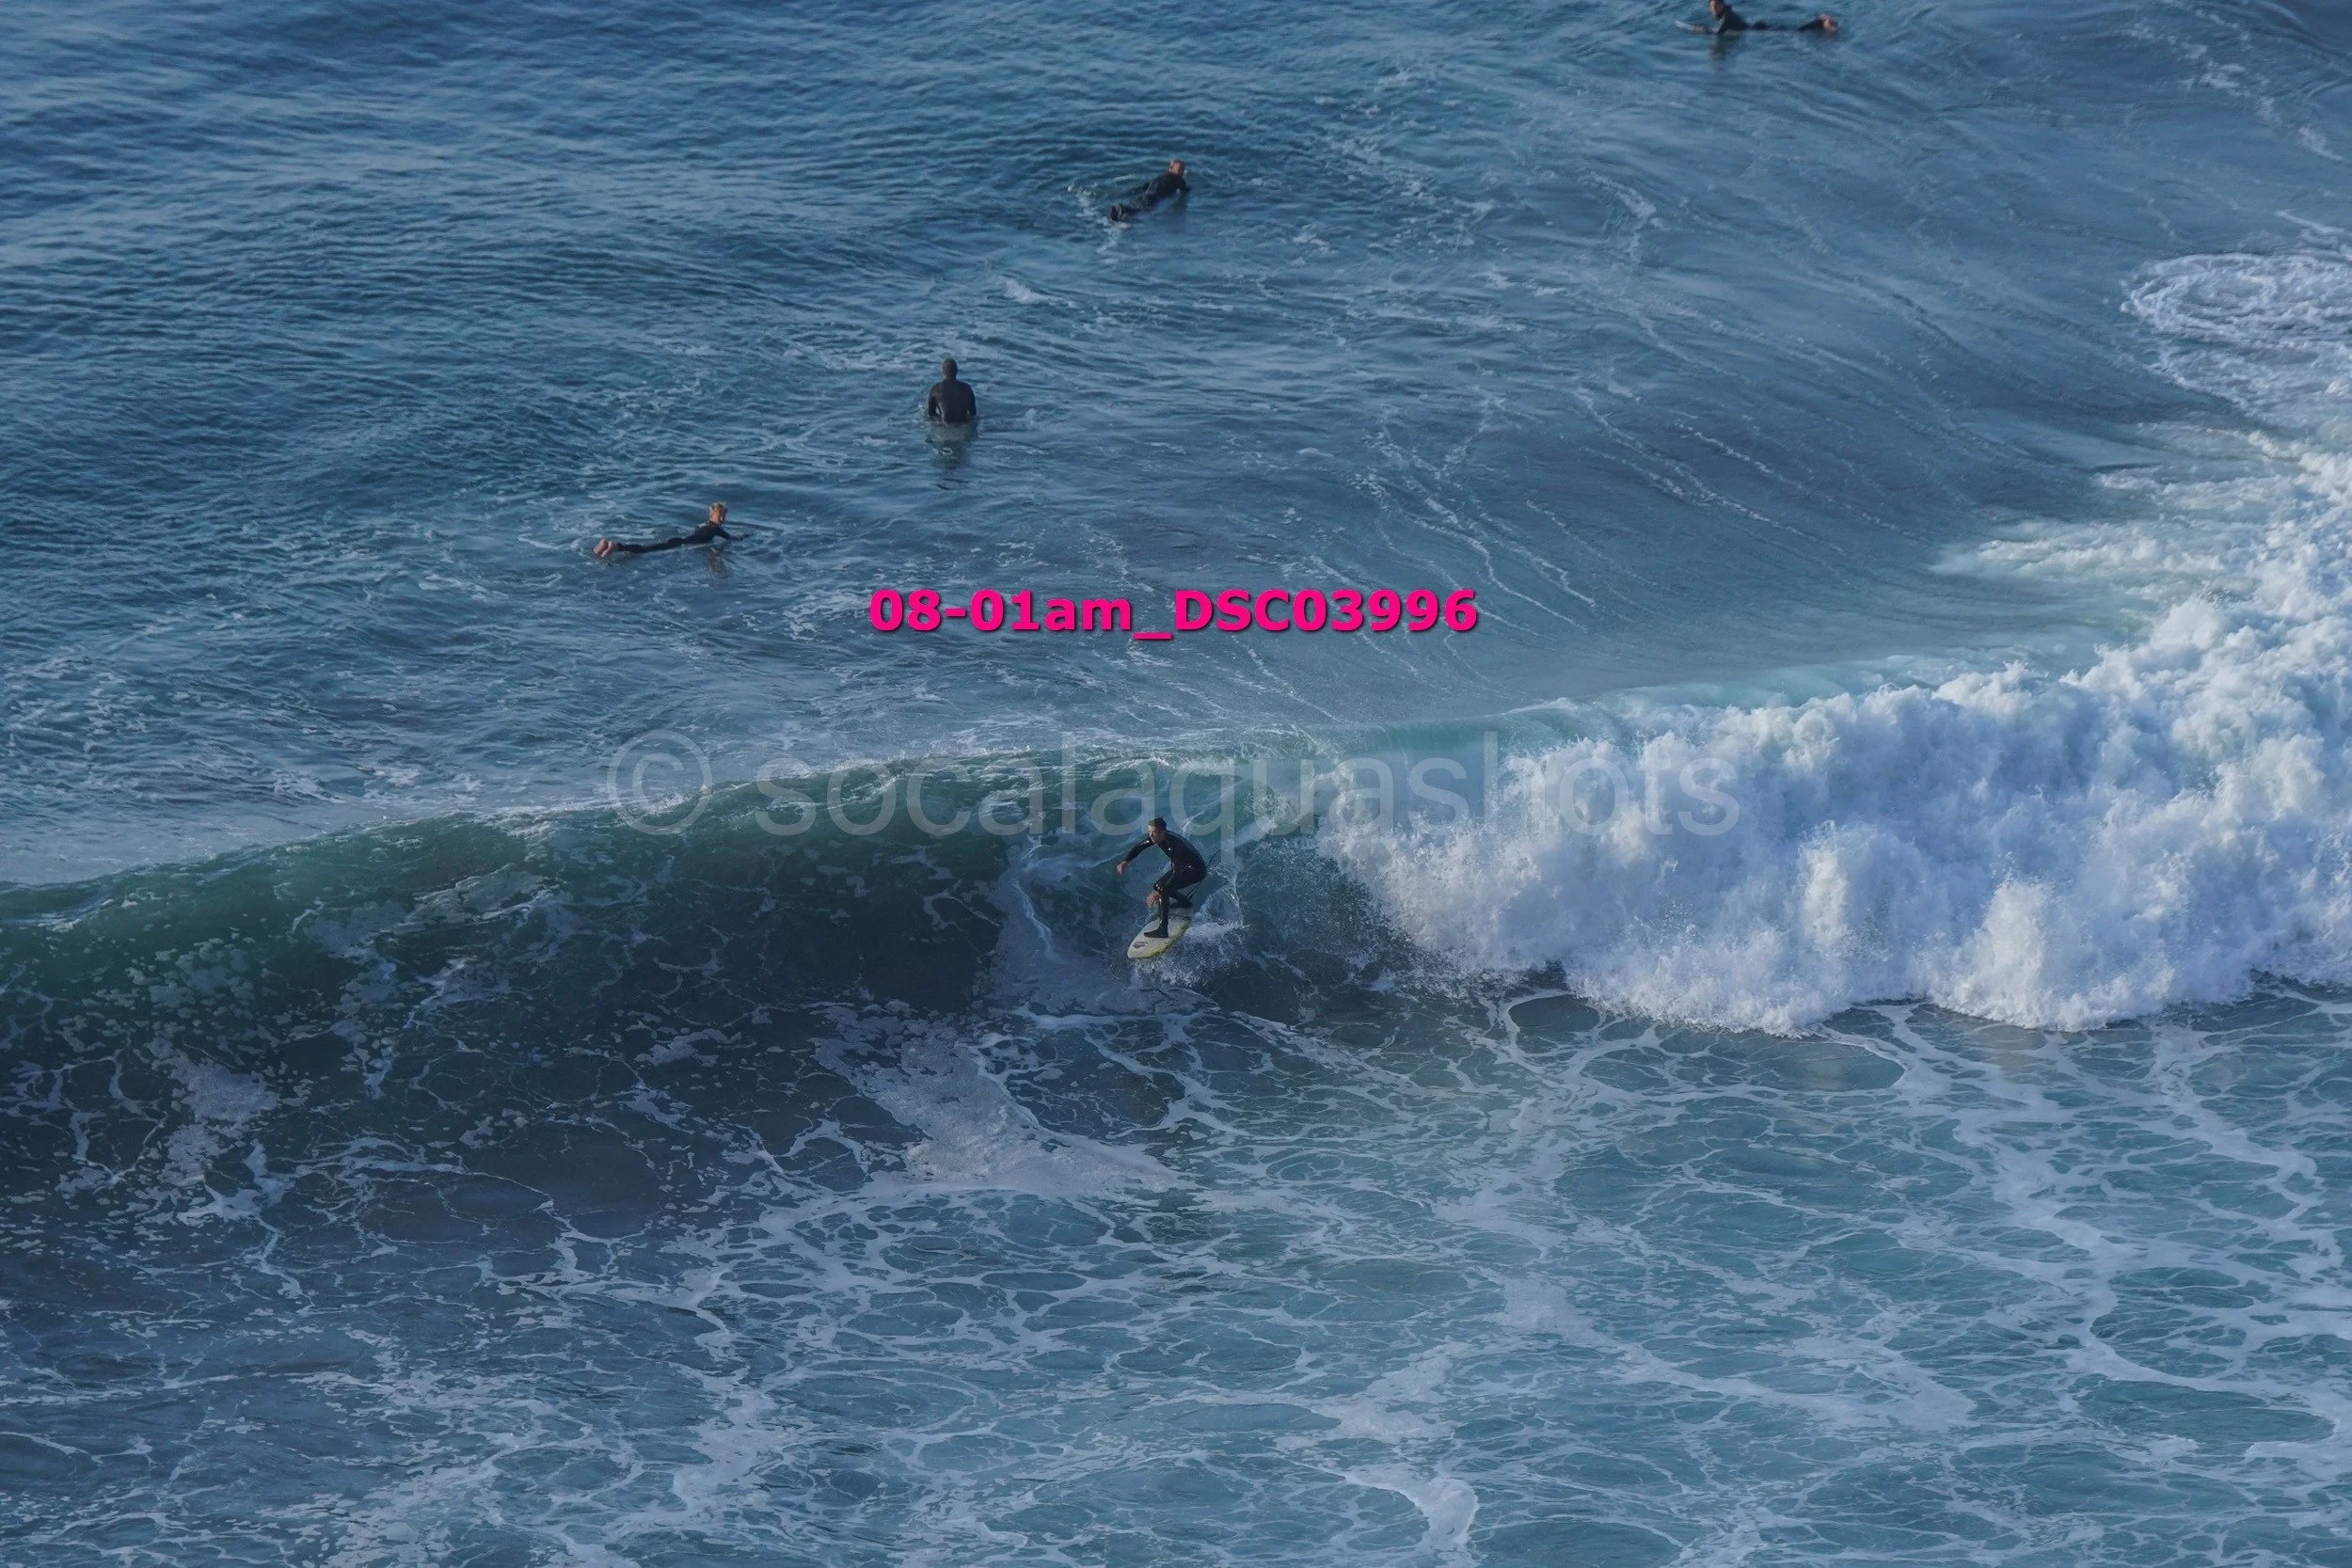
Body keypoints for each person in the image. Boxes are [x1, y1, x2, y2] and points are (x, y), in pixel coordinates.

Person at [1115, 817, 1208, 939]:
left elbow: (1176, 874)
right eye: (1149, 832)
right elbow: (1140, 846)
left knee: (1162, 889)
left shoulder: (1174, 846)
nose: (1151, 836)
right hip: (1184, 867)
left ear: (1163, 831)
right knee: (1158, 886)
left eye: (1155, 832)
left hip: (1196, 871)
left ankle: (1163, 930)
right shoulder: (1158, 837)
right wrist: (1126, 861)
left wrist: (1160, 892)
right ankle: (1185, 903)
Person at [595, 502, 738, 559]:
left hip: (679, 541)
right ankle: (615, 547)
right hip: (679, 544)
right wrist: (747, 536)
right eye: (720, 516)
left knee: (648, 548)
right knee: (647, 550)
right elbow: (730, 538)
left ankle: (611, 546)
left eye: (724, 516)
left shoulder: (702, 525)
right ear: (712, 515)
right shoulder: (715, 529)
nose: (722, 519)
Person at [1109, 160, 1189, 223]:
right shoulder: (1179, 180)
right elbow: (1185, 191)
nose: (1181, 172)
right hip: (1154, 197)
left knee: (1134, 206)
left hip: (1146, 194)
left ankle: (1121, 210)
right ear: (1170, 168)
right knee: (1142, 210)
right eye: (1179, 170)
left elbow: (1145, 186)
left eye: (1182, 169)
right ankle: (1123, 210)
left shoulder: (1160, 178)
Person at [1683, 0, 1836, 31]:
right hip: (1755, 26)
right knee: (1793, 30)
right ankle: (1819, 21)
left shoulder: (1727, 17)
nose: (1714, 9)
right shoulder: (1724, 15)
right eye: (1711, 7)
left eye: (1716, 5)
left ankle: (1820, 21)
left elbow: (1719, 33)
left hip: (1757, 29)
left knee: (1794, 31)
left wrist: (1701, 30)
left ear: (1723, 5)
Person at [926, 358, 977, 425]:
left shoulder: (936, 388)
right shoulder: (967, 388)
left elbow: (931, 414)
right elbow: (973, 413)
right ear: (956, 371)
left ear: (942, 372)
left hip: (945, 424)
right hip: (963, 422)